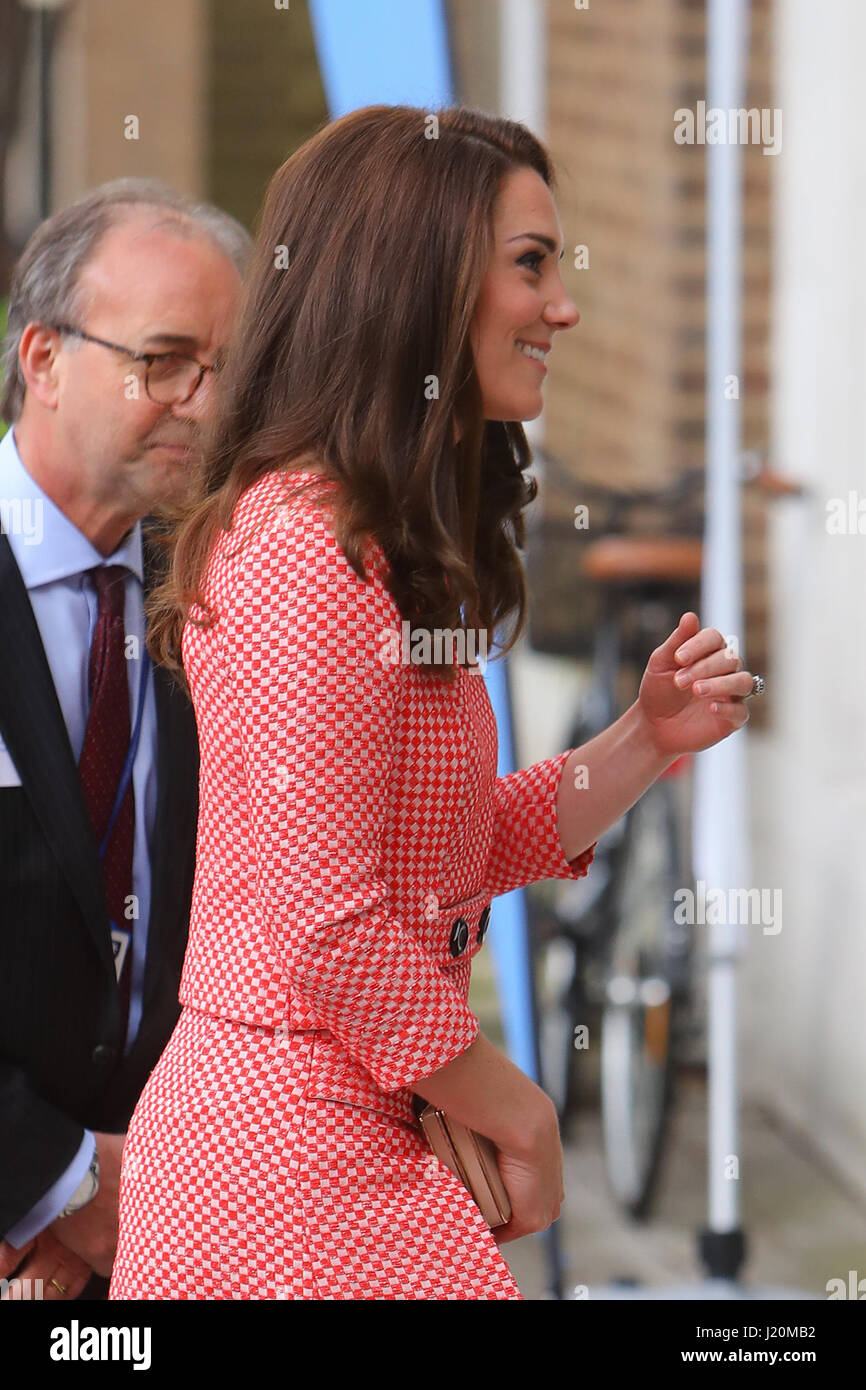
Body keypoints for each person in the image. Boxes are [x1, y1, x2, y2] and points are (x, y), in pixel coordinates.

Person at [107, 106, 757, 1302]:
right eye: (528, 263)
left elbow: (429, 860)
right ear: (415, 274)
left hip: (337, 1134)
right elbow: (332, 923)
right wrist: (522, 1112)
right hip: (282, 1163)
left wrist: (641, 740)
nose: (561, 305)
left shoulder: (367, 540)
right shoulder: (303, 549)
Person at [0, 178, 249, 1300]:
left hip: (161, 1238)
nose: (202, 404)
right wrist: (59, 1186)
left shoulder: (214, 594)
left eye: (226, 372)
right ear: (41, 359)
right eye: (162, 361)